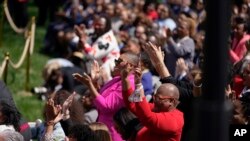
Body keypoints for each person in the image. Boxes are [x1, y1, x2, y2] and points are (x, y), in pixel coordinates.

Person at [73, 52, 138, 141]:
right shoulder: (116, 79)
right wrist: (94, 82)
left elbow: (106, 106)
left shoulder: (129, 84)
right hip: (102, 129)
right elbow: (99, 100)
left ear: (130, 66)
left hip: (113, 133)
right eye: (116, 60)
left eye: (119, 61)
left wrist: (89, 85)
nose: (115, 63)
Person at [121, 62, 184, 141]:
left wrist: (138, 85)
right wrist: (125, 79)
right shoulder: (157, 108)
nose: (154, 100)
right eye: (154, 97)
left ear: (171, 101)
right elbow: (132, 104)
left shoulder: (175, 120)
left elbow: (147, 117)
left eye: (158, 98)